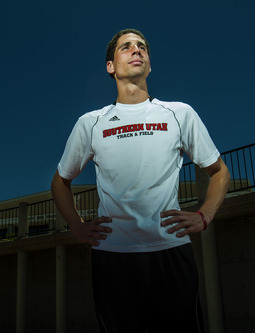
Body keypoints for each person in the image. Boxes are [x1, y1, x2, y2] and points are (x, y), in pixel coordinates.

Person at [51, 28, 230, 333]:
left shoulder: (179, 113)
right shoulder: (91, 122)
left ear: (149, 63)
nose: (136, 50)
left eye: (142, 47)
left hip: (171, 252)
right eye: (126, 47)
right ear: (111, 66)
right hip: (112, 257)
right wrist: (77, 226)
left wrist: (204, 215)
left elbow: (220, 172)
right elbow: (60, 181)